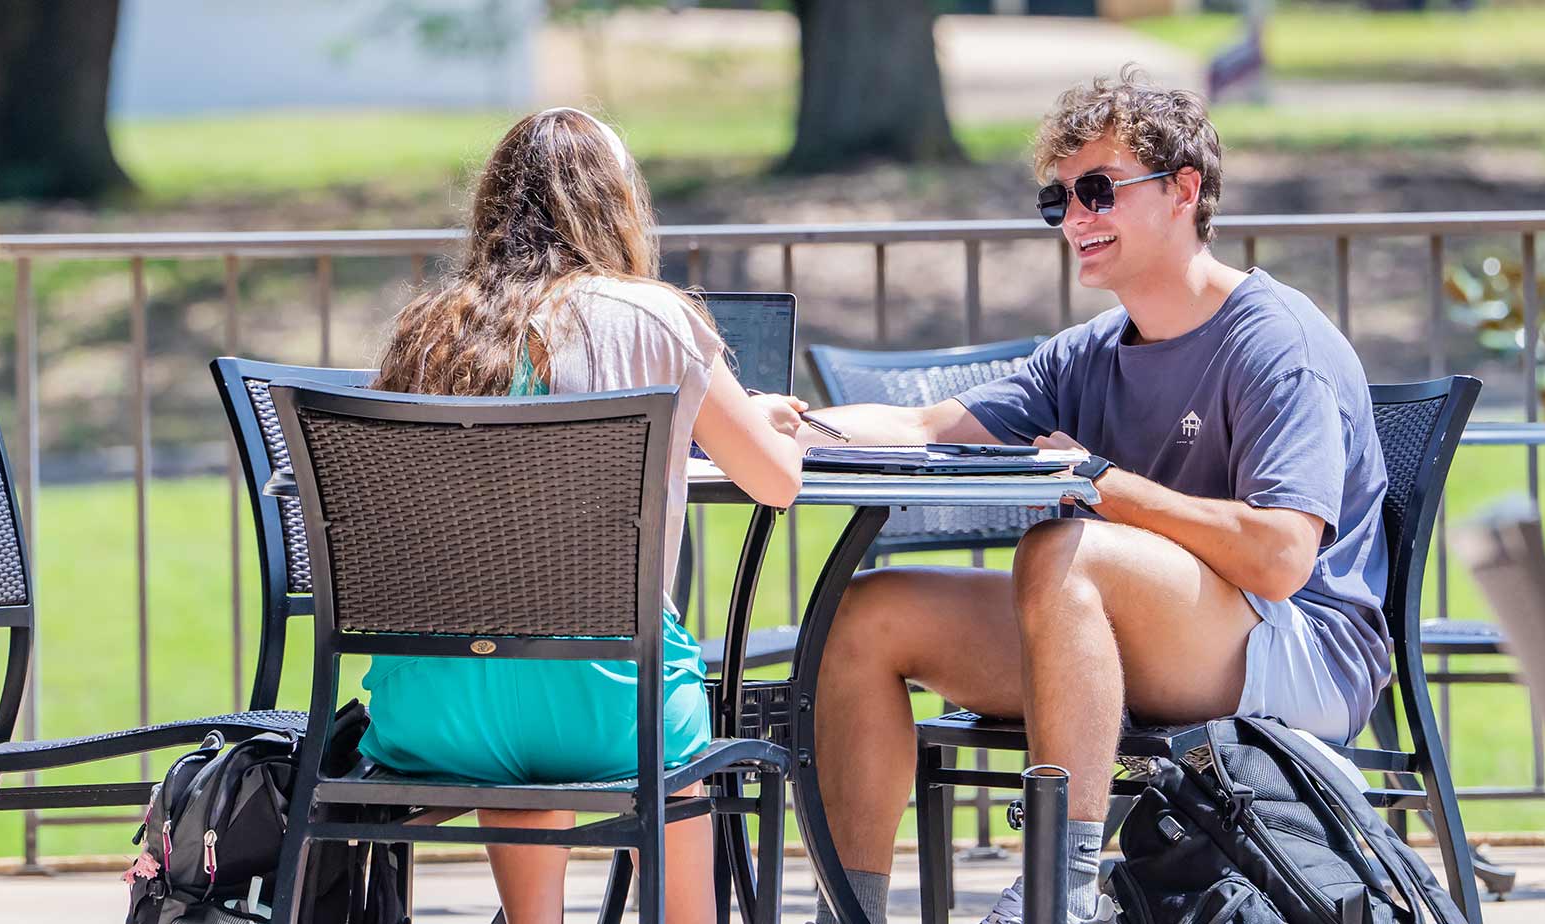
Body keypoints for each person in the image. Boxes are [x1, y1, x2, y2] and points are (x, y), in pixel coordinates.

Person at [802, 68, 1391, 924]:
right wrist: (774, 427)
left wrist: (1105, 487)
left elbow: (1281, 555)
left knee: (1061, 549)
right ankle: (848, 915)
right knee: (866, 615)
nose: (1076, 218)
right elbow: (927, 423)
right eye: (1059, 199)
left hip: (1301, 650)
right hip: (1150, 635)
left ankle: (1058, 891)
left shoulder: (1277, 341)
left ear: (1184, 190)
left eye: (1098, 190)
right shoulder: (1089, 351)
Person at [365, 107, 820, 924]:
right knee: (588, 683)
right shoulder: (656, 318)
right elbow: (775, 483)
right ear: (615, 203)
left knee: (515, 646)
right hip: (613, 711)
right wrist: (760, 422)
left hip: (432, 712)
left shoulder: (426, 332)